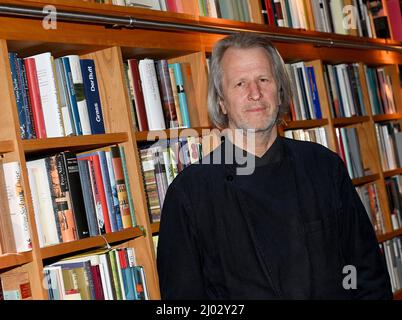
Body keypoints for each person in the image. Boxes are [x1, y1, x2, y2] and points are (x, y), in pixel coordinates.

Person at [156, 32, 392, 299]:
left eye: (263, 80)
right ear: (221, 101)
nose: (255, 93)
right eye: (240, 83)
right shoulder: (189, 193)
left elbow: (365, 272)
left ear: (280, 92)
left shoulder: (324, 167)